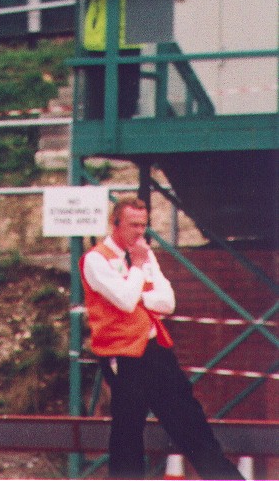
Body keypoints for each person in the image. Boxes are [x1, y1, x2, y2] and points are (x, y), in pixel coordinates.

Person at [80, 197, 243, 480]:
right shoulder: (96, 259)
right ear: (115, 224)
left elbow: (168, 302)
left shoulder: (144, 254)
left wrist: (139, 284)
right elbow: (126, 300)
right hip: (123, 355)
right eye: (133, 225)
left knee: (191, 423)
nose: (139, 232)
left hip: (155, 349)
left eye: (144, 225)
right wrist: (139, 273)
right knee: (127, 434)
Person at [71, 0, 154, 120]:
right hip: (97, 36)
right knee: (96, 105)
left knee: (126, 105)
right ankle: (99, 144)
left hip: (128, 35)